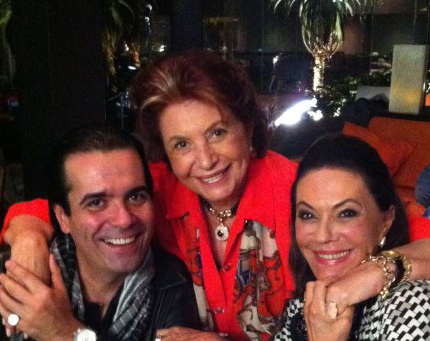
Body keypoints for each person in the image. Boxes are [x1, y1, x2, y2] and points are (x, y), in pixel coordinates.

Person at [1, 54, 430, 341]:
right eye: (181, 144)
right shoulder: (155, 192)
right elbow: (71, 205)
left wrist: (375, 273)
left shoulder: (303, 194)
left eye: (218, 132)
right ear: (165, 153)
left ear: (248, 127)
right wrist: (27, 238)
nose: (205, 161)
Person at [0, 126, 200, 341]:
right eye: (96, 202)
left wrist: (64, 332)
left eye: (135, 197)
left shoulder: (175, 288)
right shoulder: (21, 272)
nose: (124, 219)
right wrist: (29, 237)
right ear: (63, 218)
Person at [274, 134, 430, 341]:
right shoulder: (305, 303)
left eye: (346, 213)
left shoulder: (409, 305)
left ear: (385, 220)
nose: (322, 236)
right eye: (308, 215)